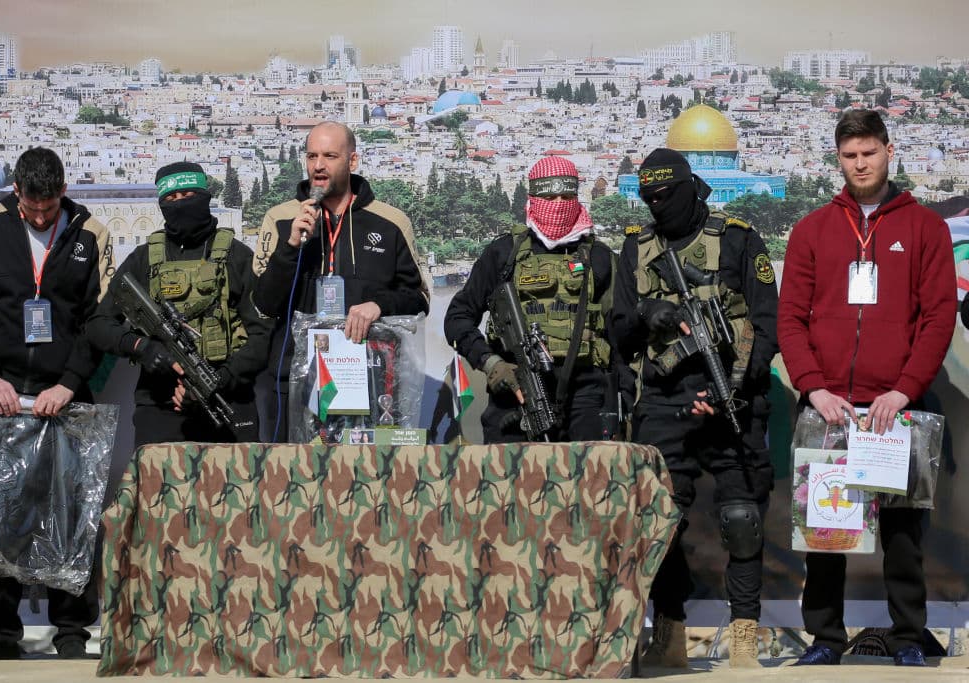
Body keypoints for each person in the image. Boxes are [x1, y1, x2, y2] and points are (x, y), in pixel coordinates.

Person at [778, 109, 956, 667]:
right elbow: (790, 319)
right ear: (838, 159)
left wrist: (903, 390)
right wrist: (813, 387)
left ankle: (907, 638)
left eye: (869, 153)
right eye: (850, 156)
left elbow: (938, 317)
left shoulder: (925, 227)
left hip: (894, 410)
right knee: (827, 532)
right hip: (830, 408)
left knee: (904, 533)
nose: (860, 164)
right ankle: (825, 639)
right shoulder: (812, 229)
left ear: (888, 150)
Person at [612, 148, 778, 668]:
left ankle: (746, 632)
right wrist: (648, 314)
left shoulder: (738, 240)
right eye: (649, 198)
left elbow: (769, 324)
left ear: (691, 187)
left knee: (741, 514)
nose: (659, 205)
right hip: (663, 399)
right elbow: (617, 331)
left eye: (667, 195)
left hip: (731, 394)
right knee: (661, 519)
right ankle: (669, 632)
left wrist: (737, 386)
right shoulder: (636, 249)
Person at [0, 146, 112, 659]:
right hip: (1, 399)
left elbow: (95, 322)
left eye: (49, 206)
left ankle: (71, 633)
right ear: (16, 192)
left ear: (63, 191)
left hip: (64, 399)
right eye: (31, 206)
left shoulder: (89, 235)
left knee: (71, 516)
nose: (40, 216)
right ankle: (1, 635)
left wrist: (68, 382)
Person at [253, 121, 429, 441]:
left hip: (370, 382)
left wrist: (379, 305)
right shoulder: (280, 219)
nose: (318, 165)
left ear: (352, 161)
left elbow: (419, 298)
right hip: (295, 383)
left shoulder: (390, 222)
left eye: (330, 156)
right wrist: (290, 247)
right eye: (311, 156)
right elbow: (264, 303)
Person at [87, 162, 271, 446]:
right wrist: (142, 348)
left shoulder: (237, 256)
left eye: (187, 196)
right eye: (170, 199)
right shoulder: (144, 258)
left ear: (204, 197)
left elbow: (261, 335)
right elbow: (99, 325)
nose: (179, 204)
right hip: (161, 404)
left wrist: (221, 380)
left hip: (227, 400)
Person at [444, 156, 619, 443]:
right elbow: (457, 318)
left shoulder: (599, 258)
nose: (558, 204)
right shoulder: (504, 254)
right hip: (514, 394)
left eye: (567, 196)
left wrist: (616, 406)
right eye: (549, 197)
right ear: (533, 198)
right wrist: (492, 365)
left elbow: (619, 333)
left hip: (584, 399)